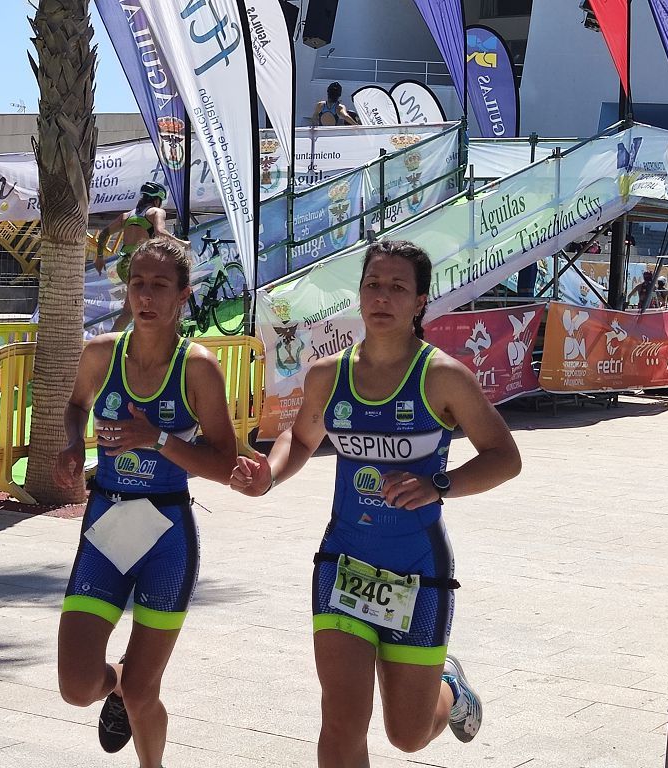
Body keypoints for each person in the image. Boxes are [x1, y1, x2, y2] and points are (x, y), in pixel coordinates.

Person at [230, 239, 521, 765]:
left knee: (407, 736)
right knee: (341, 723)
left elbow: (505, 457)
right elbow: (300, 439)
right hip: (344, 560)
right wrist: (269, 475)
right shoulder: (327, 375)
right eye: (372, 285)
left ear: (419, 303)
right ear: (359, 296)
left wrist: (442, 485)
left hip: (416, 566)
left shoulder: (443, 377)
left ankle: (449, 685)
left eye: (397, 288)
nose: (382, 297)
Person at [53, 238, 238, 767]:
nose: (146, 296)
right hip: (107, 523)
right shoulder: (100, 353)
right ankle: (112, 689)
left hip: (167, 533)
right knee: (77, 685)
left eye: (160, 285)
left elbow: (225, 461)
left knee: (142, 689)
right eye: (137, 283)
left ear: (183, 295)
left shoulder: (198, 368)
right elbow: (75, 405)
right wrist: (72, 443)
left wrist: (156, 439)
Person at [95, 181, 190, 332]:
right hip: (142, 264)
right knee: (169, 298)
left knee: (129, 310)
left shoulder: (126, 216)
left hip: (123, 264)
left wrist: (99, 257)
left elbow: (104, 234)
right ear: (158, 200)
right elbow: (160, 232)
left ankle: (111, 342)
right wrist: (182, 243)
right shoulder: (156, 212)